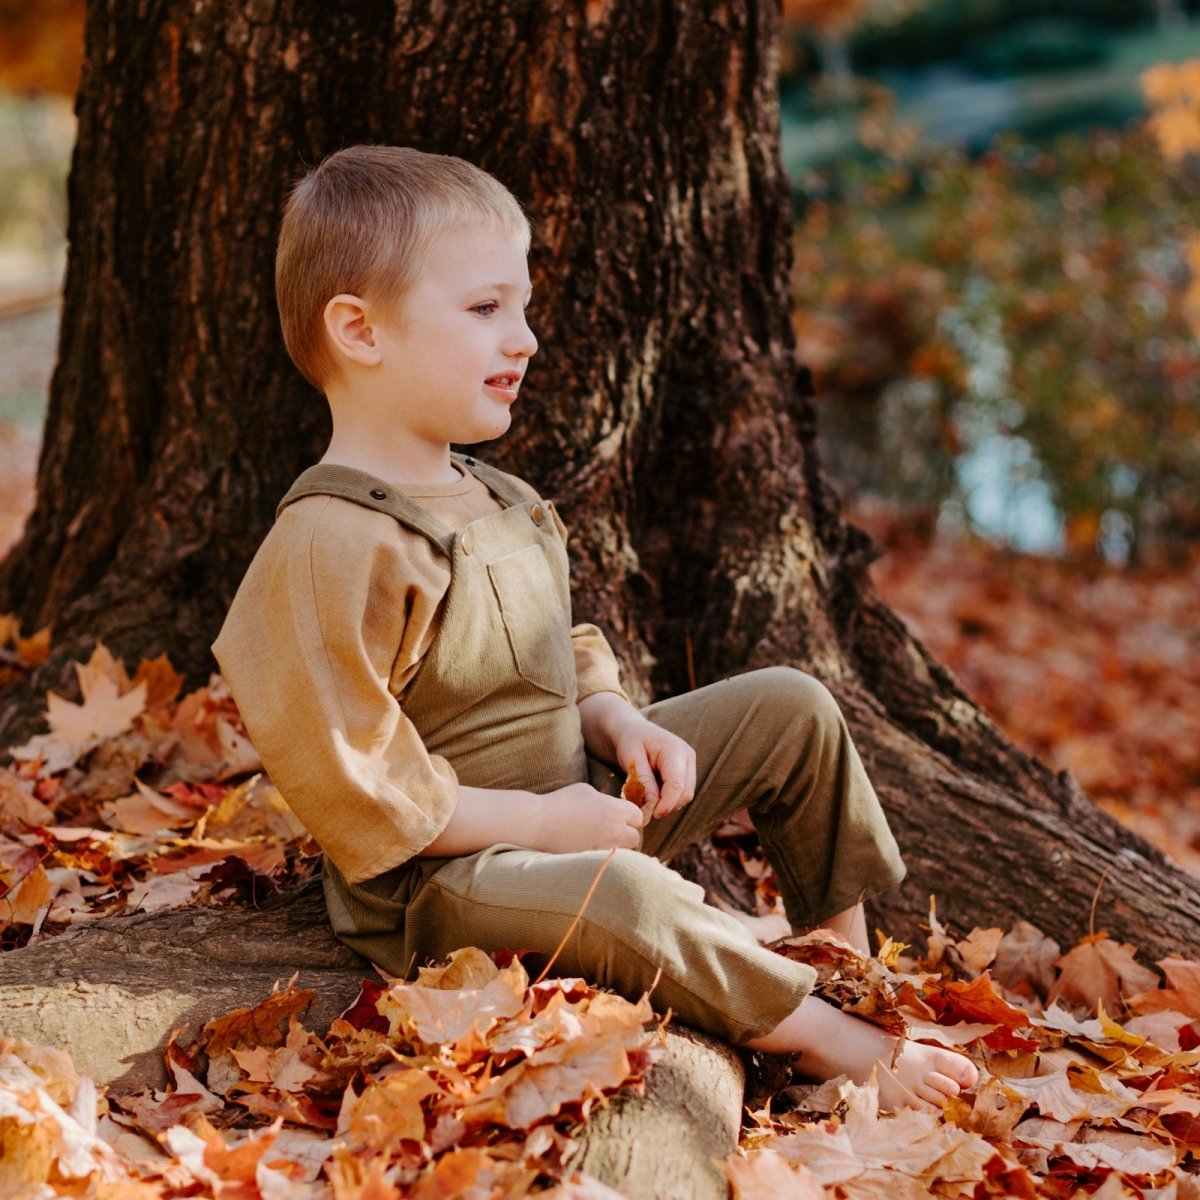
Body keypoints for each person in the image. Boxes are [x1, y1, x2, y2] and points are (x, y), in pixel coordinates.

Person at [212, 144, 979, 1111]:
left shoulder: (501, 495)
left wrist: (621, 723)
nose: (526, 339)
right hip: (446, 884)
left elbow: (558, 649)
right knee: (622, 898)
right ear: (360, 331)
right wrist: (545, 825)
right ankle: (828, 1041)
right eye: (487, 310)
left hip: (577, 809)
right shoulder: (330, 541)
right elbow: (357, 782)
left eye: (523, 308)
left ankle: (847, 967)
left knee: (792, 705)